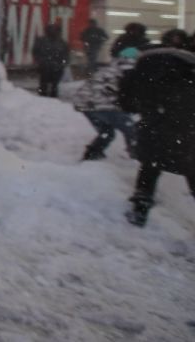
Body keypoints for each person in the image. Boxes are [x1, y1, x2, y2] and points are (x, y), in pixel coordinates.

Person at [117, 40, 195, 226]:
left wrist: (150, 108)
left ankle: (139, 212)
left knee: (150, 169)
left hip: (153, 128)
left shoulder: (141, 70)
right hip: (187, 131)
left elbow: (126, 103)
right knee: (191, 170)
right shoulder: (189, 69)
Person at [75, 46, 139, 161]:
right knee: (130, 128)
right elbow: (121, 90)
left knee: (107, 132)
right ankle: (138, 154)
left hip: (85, 104)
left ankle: (92, 154)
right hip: (102, 104)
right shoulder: (127, 69)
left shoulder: (111, 68)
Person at [32, 23, 70, 98]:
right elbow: (66, 54)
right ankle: (49, 99)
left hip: (51, 67)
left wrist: (40, 61)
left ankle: (46, 99)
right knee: (50, 85)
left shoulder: (43, 41)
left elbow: (35, 52)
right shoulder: (60, 42)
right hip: (51, 67)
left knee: (47, 85)